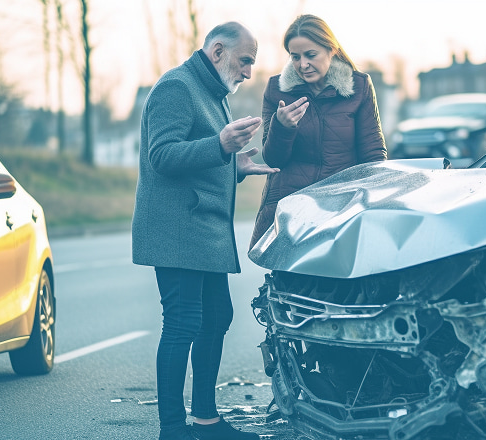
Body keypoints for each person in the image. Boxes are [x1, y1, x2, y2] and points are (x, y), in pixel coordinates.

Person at [131, 21, 276, 440]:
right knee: (183, 322)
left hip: (203, 232)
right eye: (244, 60)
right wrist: (220, 146)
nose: (248, 71)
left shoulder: (211, 94)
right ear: (217, 51)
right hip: (178, 230)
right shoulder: (176, 87)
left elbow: (201, 155)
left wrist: (234, 165)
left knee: (216, 316)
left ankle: (207, 422)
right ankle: (173, 430)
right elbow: (162, 155)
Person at [248, 14, 388, 249]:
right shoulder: (276, 90)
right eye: (295, 57)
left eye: (310, 55)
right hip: (291, 211)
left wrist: (371, 205)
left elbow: (373, 155)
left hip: (341, 209)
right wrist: (282, 127)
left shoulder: (359, 86)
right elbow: (273, 160)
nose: (303, 64)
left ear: (331, 49)